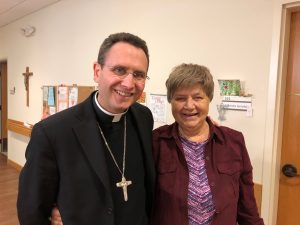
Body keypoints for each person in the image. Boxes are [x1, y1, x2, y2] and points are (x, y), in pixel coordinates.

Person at [17, 32, 155, 225]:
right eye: (119, 70)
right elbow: (32, 211)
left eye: (139, 74)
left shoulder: (144, 117)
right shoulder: (53, 132)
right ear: (97, 71)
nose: (129, 83)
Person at [150, 63, 264, 225]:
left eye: (198, 97)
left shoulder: (233, 142)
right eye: (180, 98)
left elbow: (248, 208)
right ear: (171, 101)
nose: (189, 106)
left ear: (209, 99)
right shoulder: (156, 142)